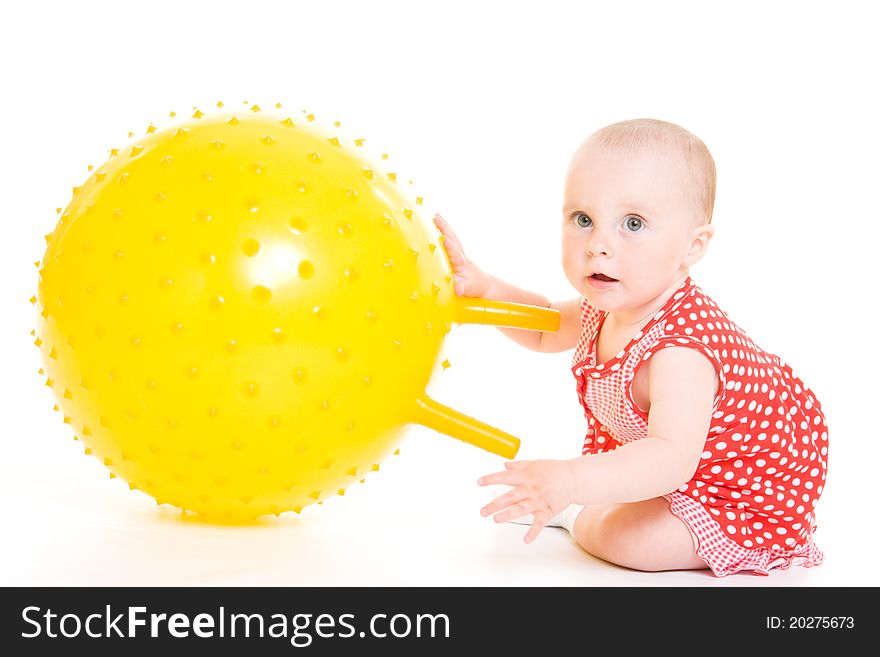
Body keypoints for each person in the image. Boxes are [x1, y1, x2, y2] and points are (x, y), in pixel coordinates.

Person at [433, 118, 827, 577]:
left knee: (629, 541)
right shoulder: (606, 308)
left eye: (633, 224)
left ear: (692, 245)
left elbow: (671, 458)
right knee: (621, 503)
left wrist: (571, 480)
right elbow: (542, 326)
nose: (598, 245)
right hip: (676, 475)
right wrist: (485, 289)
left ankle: (572, 513)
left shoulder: (682, 350)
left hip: (738, 495)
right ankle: (588, 504)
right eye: (583, 220)